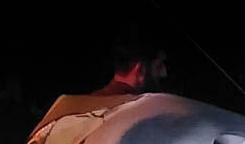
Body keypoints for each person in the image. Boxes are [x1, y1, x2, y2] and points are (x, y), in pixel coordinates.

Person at [36, 30, 169, 130]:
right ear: (140, 70)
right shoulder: (139, 114)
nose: (164, 73)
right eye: (159, 66)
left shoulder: (76, 107)